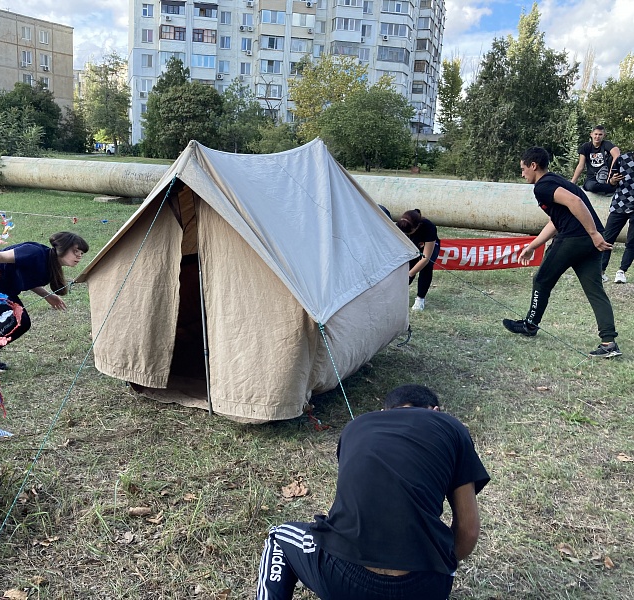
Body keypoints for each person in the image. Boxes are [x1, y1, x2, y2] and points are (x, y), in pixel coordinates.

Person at [256, 384, 489, 600]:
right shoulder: (451, 426)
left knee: (280, 536)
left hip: (341, 577)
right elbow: (468, 530)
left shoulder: (358, 425)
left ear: (384, 411)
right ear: (435, 411)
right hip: (425, 587)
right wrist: (438, 566)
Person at [503, 147, 621, 358]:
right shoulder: (556, 180)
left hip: (576, 238)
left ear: (533, 166)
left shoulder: (543, 186)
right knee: (594, 290)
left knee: (542, 280)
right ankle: (609, 342)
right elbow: (556, 222)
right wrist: (532, 246)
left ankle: (530, 325)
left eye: (523, 169)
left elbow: (575, 202)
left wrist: (593, 233)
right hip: (587, 239)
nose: (522, 174)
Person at [0, 232, 89, 378]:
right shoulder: (35, 252)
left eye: (81, 253)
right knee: (17, 320)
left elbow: (28, 278)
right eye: (75, 251)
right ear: (63, 248)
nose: (79, 256)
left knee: (20, 322)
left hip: (1, 287)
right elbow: (2, 257)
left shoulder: (50, 265)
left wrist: (48, 296)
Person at [396, 209, 440, 311]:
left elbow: (425, 258)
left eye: (409, 232)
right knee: (408, 265)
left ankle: (420, 299)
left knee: (427, 266)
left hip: (428, 246)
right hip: (411, 245)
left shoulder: (429, 227)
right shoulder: (399, 226)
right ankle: (398, 293)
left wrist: (410, 274)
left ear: (417, 227)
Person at [601, 151, 634, 283]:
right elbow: (611, 182)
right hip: (620, 203)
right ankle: (601, 271)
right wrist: (613, 181)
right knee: (607, 238)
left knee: (632, 241)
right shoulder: (622, 159)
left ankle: (621, 272)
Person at [570, 125, 621, 195]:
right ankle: (609, 188)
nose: (597, 137)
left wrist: (610, 176)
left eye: (600, 134)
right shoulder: (586, 147)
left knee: (614, 159)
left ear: (604, 135)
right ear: (591, 134)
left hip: (606, 176)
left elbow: (617, 154)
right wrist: (572, 183)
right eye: (596, 134)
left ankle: (609, 187)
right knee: (591, 186)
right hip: (592, 178)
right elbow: (581, 166)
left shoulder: (606, 144)